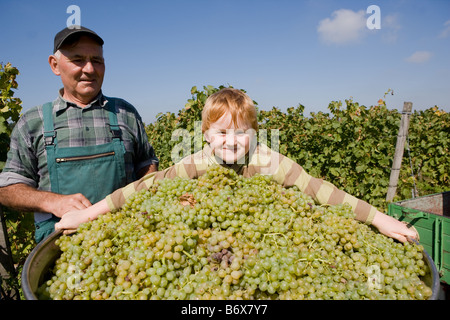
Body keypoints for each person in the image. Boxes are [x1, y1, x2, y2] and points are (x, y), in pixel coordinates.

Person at [55, 88, 417, 243]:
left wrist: (378, 218)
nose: (232, 140)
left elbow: (321, 191)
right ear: (206, 135)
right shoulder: (196, 163)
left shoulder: (270, 162)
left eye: (242, 132)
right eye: (222, 132)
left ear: (255, 134)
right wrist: (86, 215)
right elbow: (143, 187)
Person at [0, 26, 159, 243]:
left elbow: (146, 162)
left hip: (127, 241)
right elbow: (8, 188)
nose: (90, 69)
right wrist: (52, 202)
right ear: (55, 65)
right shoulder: (33, 122)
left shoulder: (125, 113)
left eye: (97, 60)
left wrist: (148, 193)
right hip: (63, 248)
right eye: (78, 60)